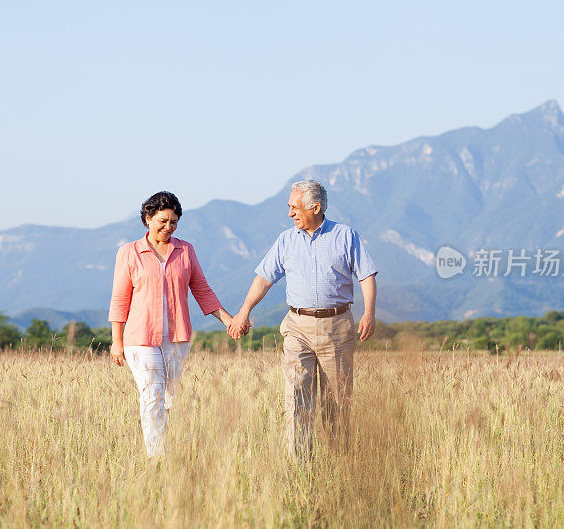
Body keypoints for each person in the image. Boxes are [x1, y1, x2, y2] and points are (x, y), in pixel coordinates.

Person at [228, 179, 378, 457]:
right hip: (296, 325)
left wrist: (368, 313)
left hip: (337, 326)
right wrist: (244, 311)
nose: (290, 213)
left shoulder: (346, 236)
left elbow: (366, 275)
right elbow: (263, 279)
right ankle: (299, 465)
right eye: (289, 207)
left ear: (316, 207)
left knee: (336, 400)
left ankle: (338, 463)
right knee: (296, 394)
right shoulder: (285, 240)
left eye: (295, 207)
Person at [109, 191, 233, 458]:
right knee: (152, 394)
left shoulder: (185, 250)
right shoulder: (129, 252)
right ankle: (157, 457)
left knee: (169, 399)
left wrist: (228, 320)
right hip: (140, 339)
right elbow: (120, 298)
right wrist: (116, 341)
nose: (168, 227)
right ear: (148, 218)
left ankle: (164, 447)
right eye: (162, 221)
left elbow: (201, 289)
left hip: (177, 338)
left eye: (174, 222)